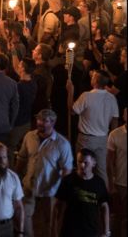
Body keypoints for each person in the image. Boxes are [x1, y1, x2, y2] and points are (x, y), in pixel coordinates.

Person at [16, 109, 74, 237]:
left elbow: (67, 169)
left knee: (49, 220)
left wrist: (62, 191)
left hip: (50, 189)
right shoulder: (29, 136)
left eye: (44, 121)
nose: (40, 123)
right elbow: (22, 157)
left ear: (52, 123)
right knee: (24, 216)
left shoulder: (62, 143)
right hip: (29, 184)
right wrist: (17, 176)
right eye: (39, 119)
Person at [71, 70, 118, 184]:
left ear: (95, 80)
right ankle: (103, 197)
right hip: (103, 138)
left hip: (86, 139)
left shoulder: (86, 96)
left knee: (83, 168)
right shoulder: (111, 98)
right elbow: (115, 119)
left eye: (93, 76)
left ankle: (82, 194)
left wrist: (70, 92)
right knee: (102, 170)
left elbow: (72, 111)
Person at [52, 149, 111, 237]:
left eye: (86, 162)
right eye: (79, 162)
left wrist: (106, 232)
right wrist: (54, 231)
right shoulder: (68, 180)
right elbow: (57, 207)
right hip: (70, 231)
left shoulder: (99, 183)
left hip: (91, 231)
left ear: (93, 163)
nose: (82, 165)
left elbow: (104, 207)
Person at [107, 109, 127, 237]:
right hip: (121, 182)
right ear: (124, 116)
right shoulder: (115, 134)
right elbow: (109, 162)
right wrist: (112, 183)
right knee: (119, 217)